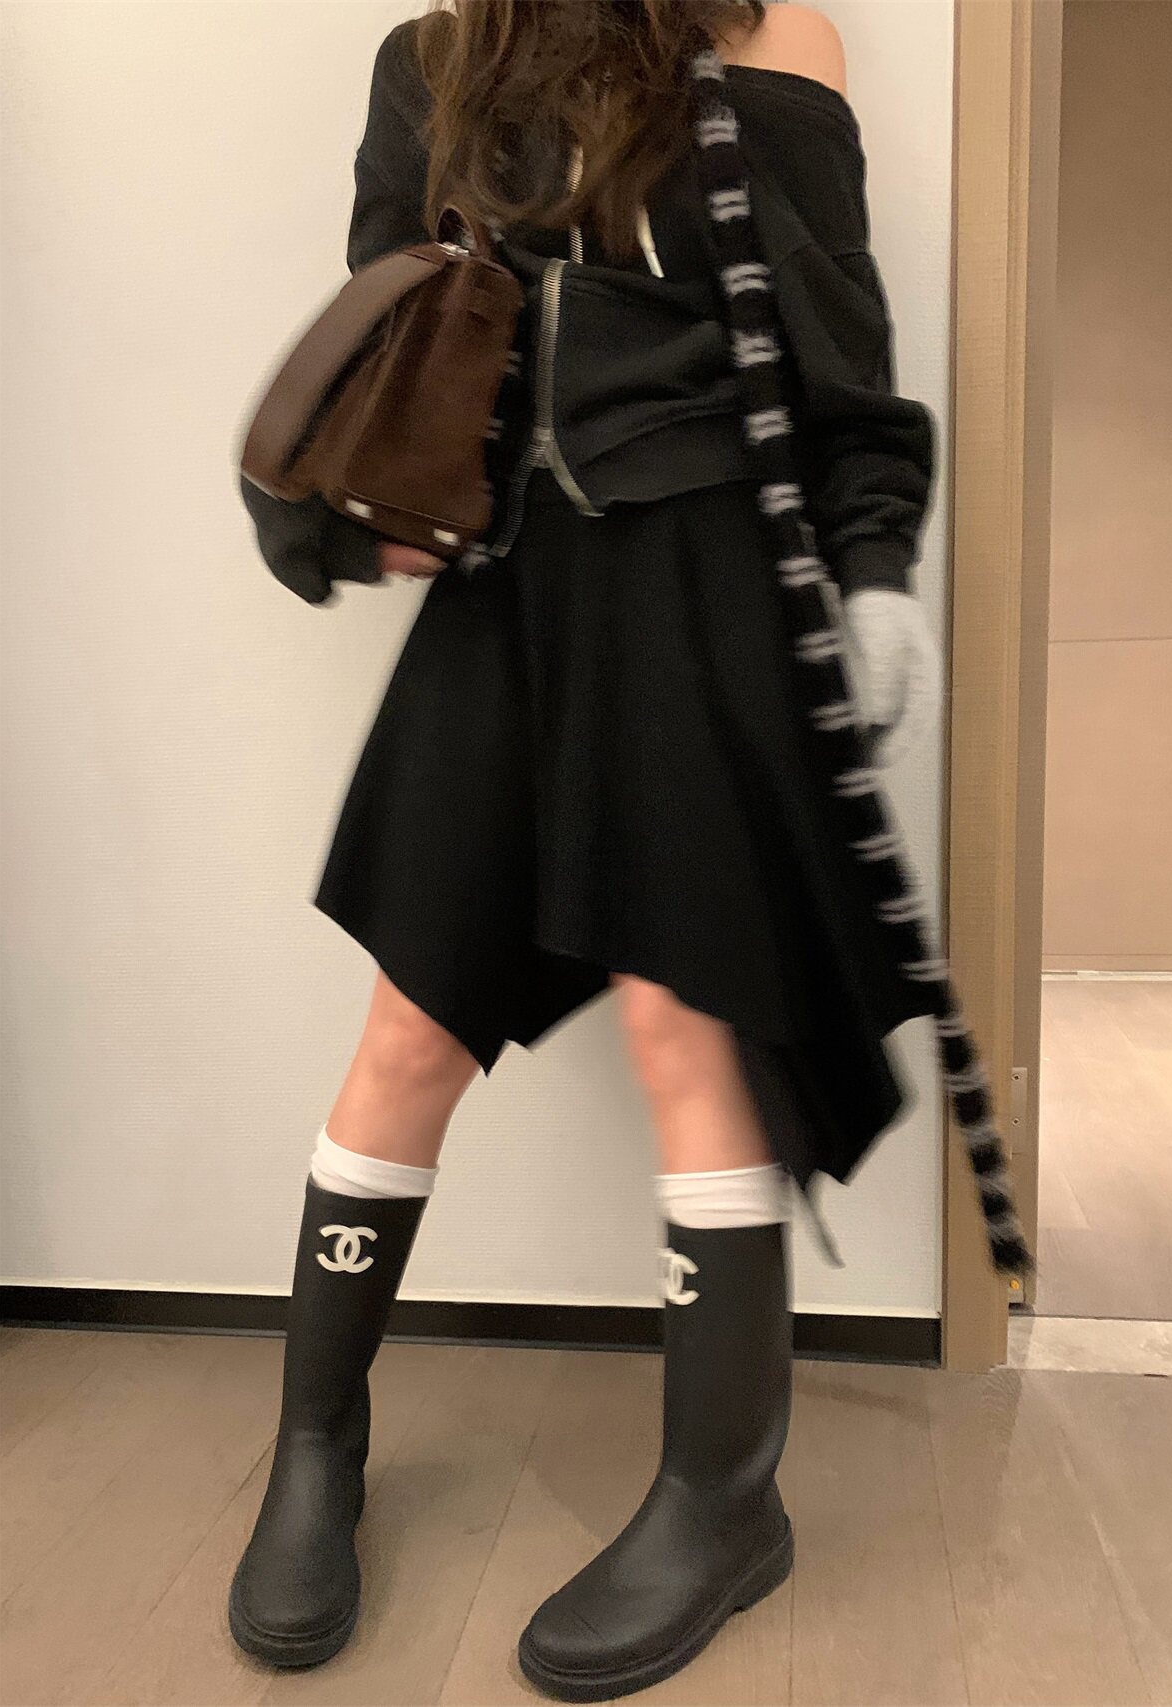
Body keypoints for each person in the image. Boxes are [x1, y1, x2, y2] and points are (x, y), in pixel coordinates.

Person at [230, 1, 945, 1697]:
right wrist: (357, 511)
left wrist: (874, 570)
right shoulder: (434, 55)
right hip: (507, 598)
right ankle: (316, 1447)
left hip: (703, 580)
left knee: (690, 1021)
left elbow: (835, 348)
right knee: (412, 1025)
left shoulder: (772, 41)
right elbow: (387, 312)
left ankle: (724, 1499)